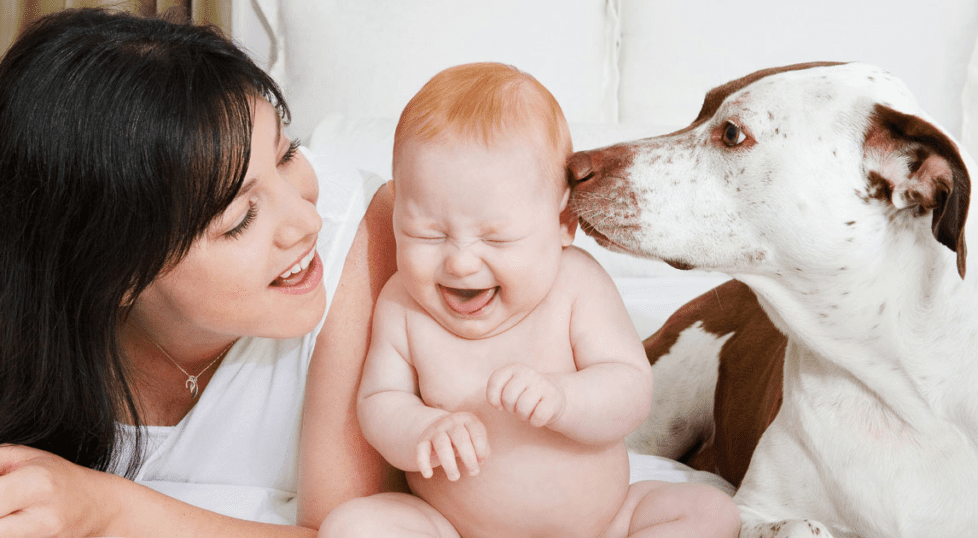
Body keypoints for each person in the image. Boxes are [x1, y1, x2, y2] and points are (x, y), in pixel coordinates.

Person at [0, 8, 401, 537]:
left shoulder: (366, 238)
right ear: (120, 275)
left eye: (288, 155)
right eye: (241, 220)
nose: (306, 221)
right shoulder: (32, 329)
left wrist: (106, 508)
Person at [318, 62, 741, 538]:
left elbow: (630, 390)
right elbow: (380, 400)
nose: (459, 263)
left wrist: (564, 400)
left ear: (564, 225)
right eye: (427, 234)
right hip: (453, 528)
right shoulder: (404, 305)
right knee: (352, 526)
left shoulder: (577, 285)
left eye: (496, 240)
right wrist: (419, 431)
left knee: (711, 513)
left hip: (605, 523)